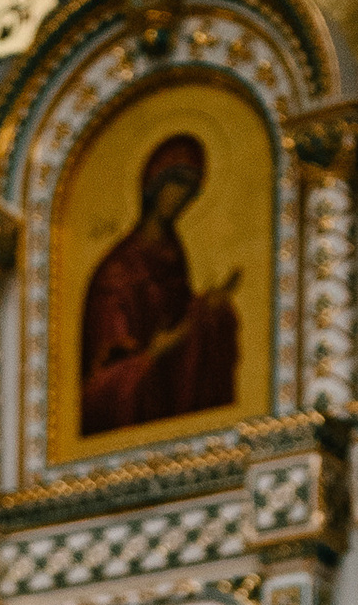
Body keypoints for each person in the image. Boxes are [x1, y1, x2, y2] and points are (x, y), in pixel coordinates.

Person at [77, 131, 240, 436]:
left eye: (190, 189)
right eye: (177, 182)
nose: (182, 197)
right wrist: (153, 354)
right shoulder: (117, 270)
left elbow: (179, 320)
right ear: (154, 184)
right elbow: (103, 376)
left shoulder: (173, 253)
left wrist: (207, 309)